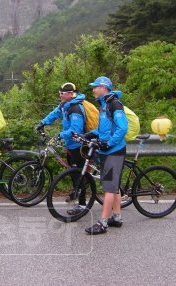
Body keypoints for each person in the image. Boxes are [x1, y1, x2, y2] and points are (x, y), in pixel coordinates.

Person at [83, 76, 128, 235]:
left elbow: (122, 128)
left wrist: (108, 143)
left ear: (104, 87)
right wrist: (89, 134)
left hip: (114, 151)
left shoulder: (114, 104)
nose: (93, 90)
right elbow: (104, 129)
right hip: (106, 150)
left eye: (96, 87)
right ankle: (117, 217)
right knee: (113, 186)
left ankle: (102, 223)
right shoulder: (104, 105)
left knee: (109, 187)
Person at [34, 82, 87, 214]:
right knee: (74, 172)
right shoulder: (65, 105)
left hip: (78, 146)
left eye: (62, 94)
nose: (60, 96)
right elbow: (54, 114)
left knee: (78, 174)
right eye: (59, 93)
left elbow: (76, 130)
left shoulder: (75, 109)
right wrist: (42, 123)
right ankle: (76, 192)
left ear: (70, 94)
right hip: (71, 145)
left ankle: (82, 205)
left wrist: (59, 135)